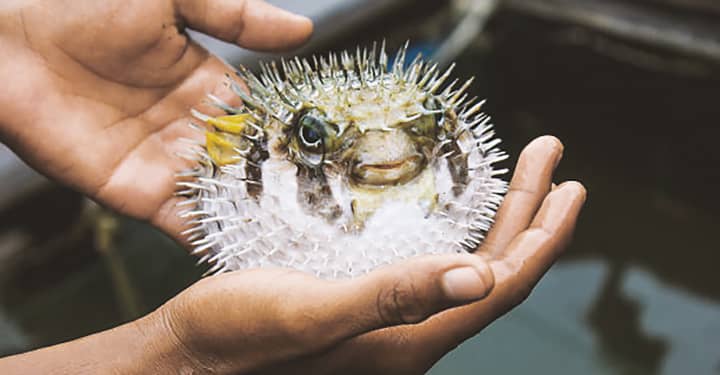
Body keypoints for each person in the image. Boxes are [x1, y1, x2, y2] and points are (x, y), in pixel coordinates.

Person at [0, 0, 586, 373]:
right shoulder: (238, 167)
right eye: (313, 139)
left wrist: (16, 33)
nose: (387, 154)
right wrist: (178, 353)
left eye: (428, 128)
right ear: (255, 154)